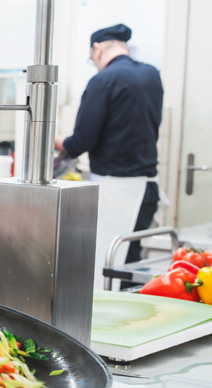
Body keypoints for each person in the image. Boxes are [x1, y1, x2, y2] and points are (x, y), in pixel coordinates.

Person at [54, 23, 163, 279]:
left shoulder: (102, 80)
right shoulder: (152, 75)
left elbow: (79, 143)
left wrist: (54, 139)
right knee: (130, 265)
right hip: (148, 190)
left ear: (97, 49)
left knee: (107, 267)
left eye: (92, 59)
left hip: (116, 192)